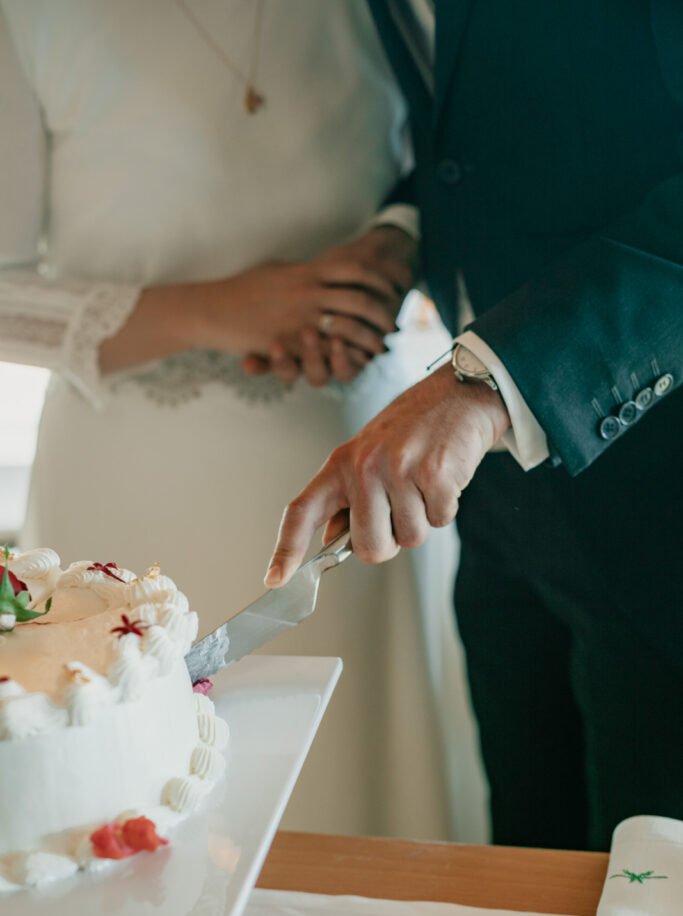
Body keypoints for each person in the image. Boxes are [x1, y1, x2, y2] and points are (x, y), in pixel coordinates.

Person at [0, 0, 485, 841]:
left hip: (356, 459)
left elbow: (456, 165)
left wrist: (386, 260)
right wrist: (223, 311)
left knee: (371, 794)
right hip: (132, 475)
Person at [265, 0, 683, 852]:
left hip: (660, 511)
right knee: (524, 891)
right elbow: (477, 129)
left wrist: (493, 379)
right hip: (497, 515)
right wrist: (404, 233)